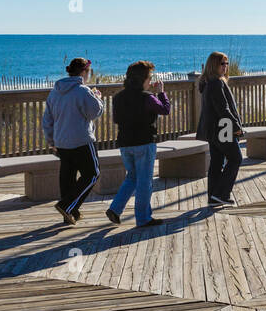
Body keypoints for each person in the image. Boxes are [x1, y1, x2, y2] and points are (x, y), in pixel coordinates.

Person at [107, 60, 171, 228]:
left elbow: (116, 119)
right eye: (149, 77)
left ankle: (115, 209)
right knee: (144, 181)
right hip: (144, 143)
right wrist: (161, 93)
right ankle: (143, 218)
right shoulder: (147, 98)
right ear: (142, 79)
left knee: (132, 177)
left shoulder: (118, 97)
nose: (150, 80)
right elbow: (165, 109)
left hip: (125, 143)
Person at [42, 58, 104, 225]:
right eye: (89, 71)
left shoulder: (55, 92)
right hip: (82, 140)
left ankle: (69, 214)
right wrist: (97, 97)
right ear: (84, 72)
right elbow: (94, 112)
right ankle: (67, 205)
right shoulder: (82, 91)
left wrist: (51, 140)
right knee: (92, 173)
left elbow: (47, 120)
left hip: (61, 142)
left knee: (68, 178)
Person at [197, 51, 243, 208]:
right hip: (223, 129)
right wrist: (236, 127)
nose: (225, 66)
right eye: (222, 63)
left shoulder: (208, 82)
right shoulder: (216, 83)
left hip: (212, 130)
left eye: (227, 63)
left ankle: (213, 197)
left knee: (216, 162)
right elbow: (223, 109)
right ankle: (221, 194)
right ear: (213, 65)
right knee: (236, 158)